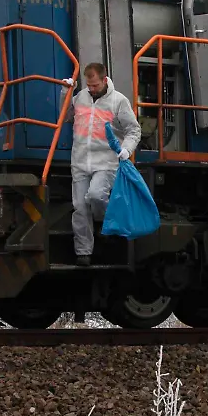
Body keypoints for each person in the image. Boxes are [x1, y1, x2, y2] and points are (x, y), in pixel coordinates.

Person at [61, 63, 141, 265]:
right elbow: (66, 117)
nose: (92, 89)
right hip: (80, 161)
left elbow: (134, 130)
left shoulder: (118, 101)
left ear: (104, 80)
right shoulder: (80, 97)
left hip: (105, 162)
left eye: (95, 85)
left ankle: (108, 224)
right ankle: (84, 253)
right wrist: (66, 92)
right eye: (89, 85)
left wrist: (127, 150)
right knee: (80, 207)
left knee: (96, 195)